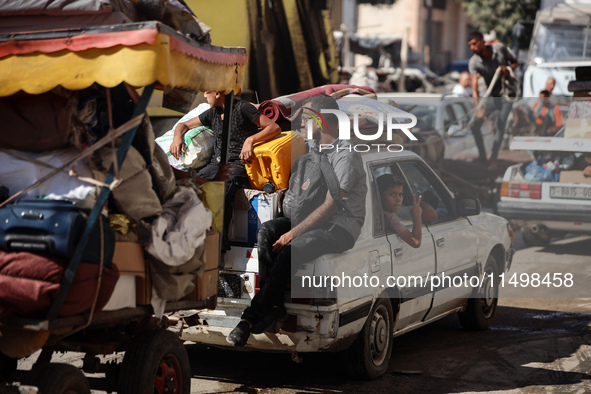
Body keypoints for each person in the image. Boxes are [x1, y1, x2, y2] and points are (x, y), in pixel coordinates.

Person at [226, 95, 367, 347]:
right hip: (306, 222)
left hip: (337, 228)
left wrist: (293, 233)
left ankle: (249, 319)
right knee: (268, 231)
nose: (301, 123)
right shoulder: (310, 150)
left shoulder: (346, 156)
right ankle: (276, 306)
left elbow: (330, 205)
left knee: (289, 250)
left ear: (323, 121)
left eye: (307, 118)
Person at [169, 91, 280, 252]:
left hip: (238, 165)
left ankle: (219, 246)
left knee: (221, 190)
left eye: (207, 92)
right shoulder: (213, 113)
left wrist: (250, 140)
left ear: (218, 93)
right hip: (215, 164)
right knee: (191, 187)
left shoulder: (242, 108)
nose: (205, 96)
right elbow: (184, 124)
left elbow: (273, 127)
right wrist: (177, 137)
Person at [467, 31, 519, 171]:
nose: (472, 48)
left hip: (507, 93)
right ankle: (483, 156)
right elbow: (474, 88)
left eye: (474, 44)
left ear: (483, 42)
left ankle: (494, 159)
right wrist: (478, 109)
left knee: (500, 124)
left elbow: (515, 63)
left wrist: (507, 70)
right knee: (474, 125)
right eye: (470, 45)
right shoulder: (474, 62)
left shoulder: (500, 48)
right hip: (492, 95)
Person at [377, 175, 423, 248]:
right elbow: (416, 242)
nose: (398, 199)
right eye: (392, 194)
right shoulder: (390, 218)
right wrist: (417, 215)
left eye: (400, 195)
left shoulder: (376, 213)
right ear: (379, 195)